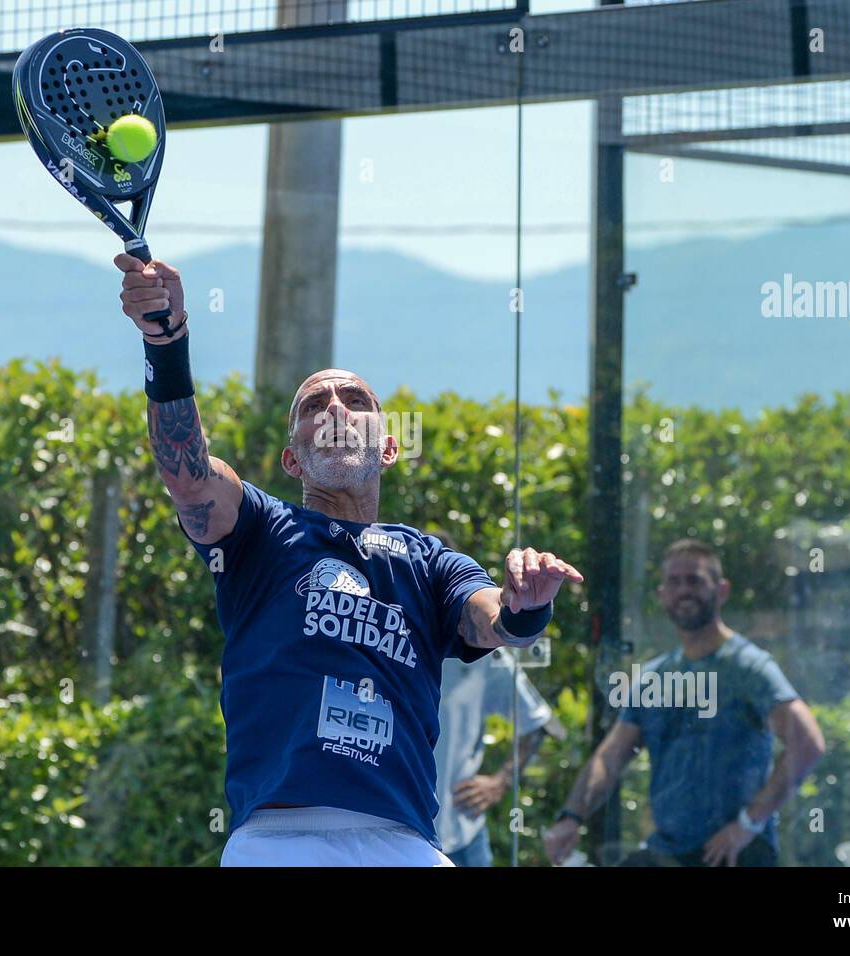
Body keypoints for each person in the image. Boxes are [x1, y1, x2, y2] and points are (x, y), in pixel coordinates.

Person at [116, 254, 583, 866]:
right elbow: (190, 477)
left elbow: (491, 619)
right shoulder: (262, 531)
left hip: (407, 843)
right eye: (314, 406)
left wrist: (527, 605)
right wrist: (165, 341)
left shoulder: (429, 560)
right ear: (292, 461)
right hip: (277, 841)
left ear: (387, 449)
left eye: (354, 399)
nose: (335, 408)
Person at [542, 539, 825, 867]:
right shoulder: (654, 676)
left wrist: (748, 824)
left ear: (721, 590)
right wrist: (571, 817)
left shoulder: (749, 667)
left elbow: (808, 743)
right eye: (674, 582)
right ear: (662, 594)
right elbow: (611, 757)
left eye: (695, 580)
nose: (683, 590)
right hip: (669, 853)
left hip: (734, 855)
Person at [435, 650, 565, 866]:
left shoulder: (482, 650)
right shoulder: (381, 638)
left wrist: (500, 781)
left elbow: (542, 724)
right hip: (388, 832)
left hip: (461, 838)